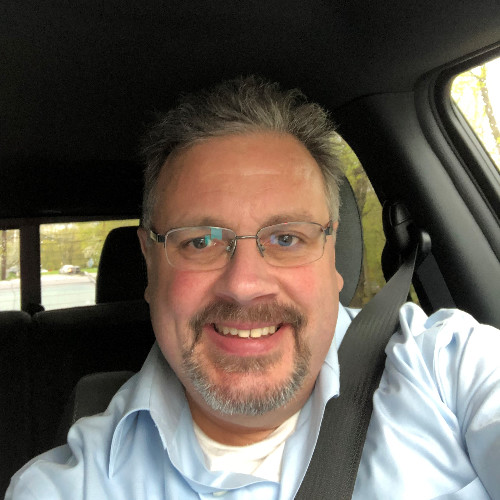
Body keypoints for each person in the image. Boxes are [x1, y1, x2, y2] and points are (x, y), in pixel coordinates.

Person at [6, 77, 500, 500]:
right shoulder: (67, 487)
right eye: (200, 241)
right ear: (150, 265)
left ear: (333, 255)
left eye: (287, 239)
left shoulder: (450, 369)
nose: (244, 286)